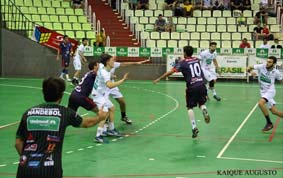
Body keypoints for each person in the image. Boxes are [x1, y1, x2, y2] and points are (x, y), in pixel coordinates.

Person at [15, 77, 103, 178]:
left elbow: (18, 143)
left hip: (25, 169)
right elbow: (86, 123)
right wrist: (100, 117)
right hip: (50, 170)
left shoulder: (28, 113)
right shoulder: (65, 112)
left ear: (43, 93)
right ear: (61, 95)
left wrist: (28, 159)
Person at [153, 46, 211, 138]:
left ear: (184, 53)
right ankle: (204, 109)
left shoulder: (182, 63)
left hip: (192, 87)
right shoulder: (196, 60)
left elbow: (171, 72)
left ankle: (194, 127)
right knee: (201, 103)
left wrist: (159, 78)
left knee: (190, 107)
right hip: (201, 85)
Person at [92, 54, 129, 143]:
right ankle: (98, 135)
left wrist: (112, 76)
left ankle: (111, 129)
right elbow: (110, 85)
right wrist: (122, 80)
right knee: (104, 114)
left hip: (101, 94)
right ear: (108, 62)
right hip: (98, 95)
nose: (114, 62)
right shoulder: (105, 73)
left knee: (111, 108)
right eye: (112, 60)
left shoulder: (103, 67)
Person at [109, 58, 150, 124]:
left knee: (122, 102)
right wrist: (111, 75)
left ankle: (123, 116)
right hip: (104, 87)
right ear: (107, 60)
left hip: (113, 86)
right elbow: (99, 73)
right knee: (106, 105)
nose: (114, 60)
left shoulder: (113, 64)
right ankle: (105, 122)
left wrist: (136, 63)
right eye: (112, 59)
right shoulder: (100, 66)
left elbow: (124, 64)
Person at [247, 56, 283, 131]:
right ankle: (269, 122)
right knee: (274, 112)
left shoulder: (276, 72)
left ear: (274, 64)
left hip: (270, 91)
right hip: (263, 92)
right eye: (267, 61)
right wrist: (250, 71)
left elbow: (281, 81)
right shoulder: (261, 66)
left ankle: (269, 123)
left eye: (270, 62)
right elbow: (248, 67)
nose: (267, 63)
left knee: (260, 103)